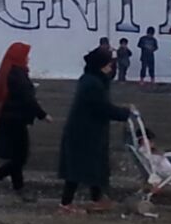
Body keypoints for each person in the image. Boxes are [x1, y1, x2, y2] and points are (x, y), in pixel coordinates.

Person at [57, 48, 132, 214]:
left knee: (94, 165)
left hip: (88, 131)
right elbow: (102, 108)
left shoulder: (91, 79)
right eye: (109, 64)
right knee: (78, 169)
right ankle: (66, 204)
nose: (112, 67)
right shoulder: (93, 84)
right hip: (83, 133)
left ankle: (96, 198)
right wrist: (124, 113)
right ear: (102, 65)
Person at [0, 42, 47, 199]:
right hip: (15, 120)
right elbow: (27, 98)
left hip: (11, 119)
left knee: (17, 157)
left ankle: (18, 189)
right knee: (20, 157)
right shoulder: (17, 74)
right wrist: (42, 115)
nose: (28, 58)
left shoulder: (12, 71)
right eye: (26, 55)